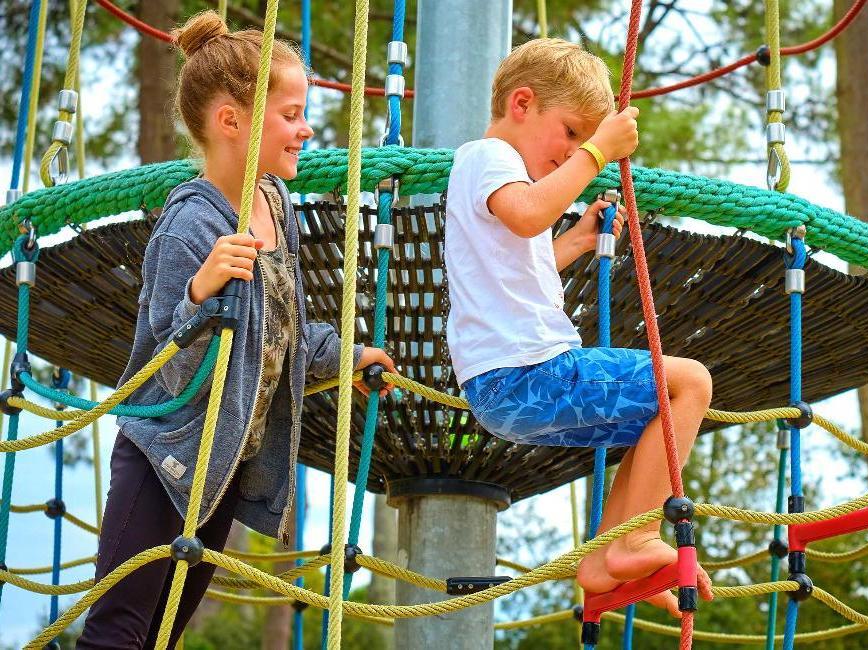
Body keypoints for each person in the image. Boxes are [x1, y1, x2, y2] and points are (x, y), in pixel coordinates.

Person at [77, 11, 396, 647]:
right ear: (232, 121)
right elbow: (168, 364)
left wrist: (349, 356)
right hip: (164, 459)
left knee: (163, 636)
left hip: (226, 466)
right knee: (118, 631)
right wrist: (202, 291)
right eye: (291, 113)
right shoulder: (191, 223)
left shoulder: (276, 205)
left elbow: (283, 331)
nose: (306, 129)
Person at [445, 38, 713, 616]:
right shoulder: (490, 158)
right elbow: (528, 213)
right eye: (568, 131)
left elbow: (517, 259)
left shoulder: (492, 174)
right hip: (531, 373)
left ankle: (603, 559)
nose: (570, 151)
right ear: (523, 104)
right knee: (688, 383)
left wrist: (579, 239)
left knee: (655, 417)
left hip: (507, 388)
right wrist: (596, 151)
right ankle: (634, 538)